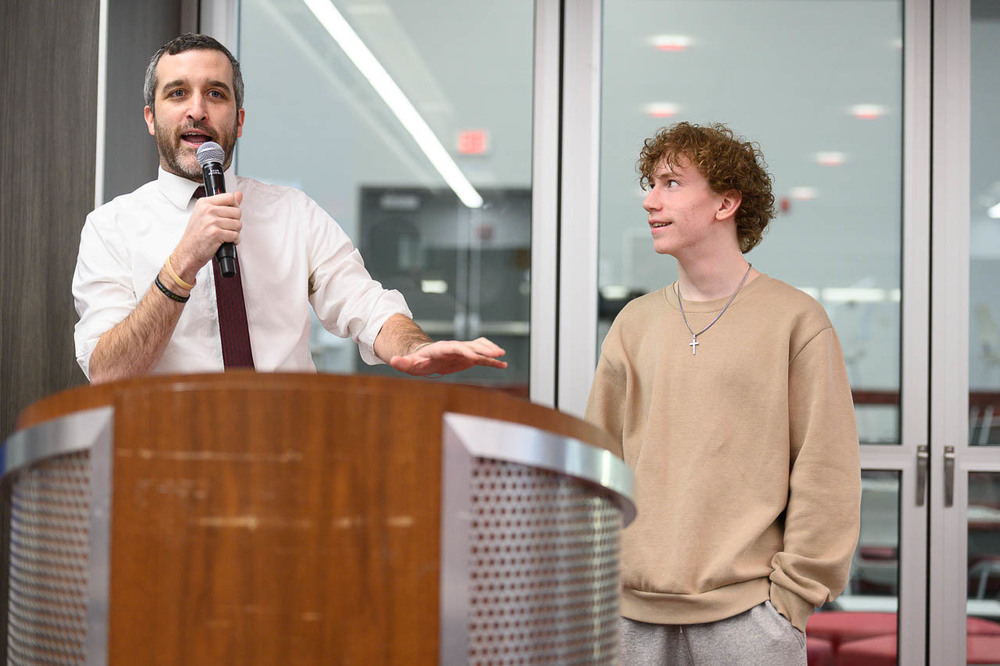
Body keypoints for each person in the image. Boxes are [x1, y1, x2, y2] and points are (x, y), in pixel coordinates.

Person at [73, 34, 506, 383]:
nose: (198, 110)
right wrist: (181, 265)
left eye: (216, 94)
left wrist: (415, 347)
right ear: (151, 117)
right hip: (166, 467)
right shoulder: (111, 228)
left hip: (287, 456)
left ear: (239, 120)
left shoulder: (293, 213)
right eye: (178, 93)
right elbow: (108, 371)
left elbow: (364, 303)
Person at [585, 122, 861, 664]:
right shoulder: (633, 324)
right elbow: (597, 464)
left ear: (726, 202)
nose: (649, 200)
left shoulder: (796, 320)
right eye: (650, 183)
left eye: (670, 183)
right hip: (627, 620)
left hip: (751, 623)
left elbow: (825, 468)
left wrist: (791, 605)